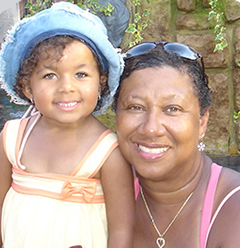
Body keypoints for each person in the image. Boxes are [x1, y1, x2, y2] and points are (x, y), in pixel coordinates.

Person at [0, 2, 135, 248]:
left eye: (81, 74)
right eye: (49, 75)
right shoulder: (11, 141)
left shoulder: (108, 154)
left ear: (101, 82)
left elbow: (122, 231)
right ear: (27, 86)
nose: (67, 87)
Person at [113, 41, 240, 248]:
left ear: (202, 121)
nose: (151, 128)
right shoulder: (103, 196)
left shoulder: (233, 206)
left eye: (173, 109)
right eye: (135, 107)